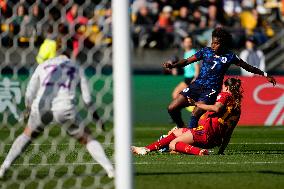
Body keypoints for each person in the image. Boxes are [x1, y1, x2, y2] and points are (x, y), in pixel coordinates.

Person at [0, 52, 114, 178]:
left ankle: (4, 166)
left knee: (27, 135)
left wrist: (28, 107)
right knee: (87, 139)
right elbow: (87, 98)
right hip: (64, 107)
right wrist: (96, 116)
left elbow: (30, 91)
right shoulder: (76, 66)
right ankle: (110, 169)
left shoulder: (43, 65)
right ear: (70, 53)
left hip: (42, 106)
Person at [163, 27, 276, 129]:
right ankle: (181, 127)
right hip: (197, 85)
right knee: (172, 108)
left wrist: (264, 74)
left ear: (222, 44)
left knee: (195, 114)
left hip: (211, 90)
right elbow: (187, 61)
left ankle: (189, 141)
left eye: (216, 43)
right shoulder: (205, 51)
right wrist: (174, 65)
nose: (213, 46)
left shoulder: (230, 56)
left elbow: (247, 66)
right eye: (212, 43)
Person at [132, 77, 243, 156]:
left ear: (227, 88)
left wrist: (197, 104)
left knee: (172, 144)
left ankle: (199, 152)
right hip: (214, 139)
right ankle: (145, 149)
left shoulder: (225, 95)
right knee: (177, 132)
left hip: (206, 133)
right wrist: (221, 150)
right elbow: (228, 133)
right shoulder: (237, 110)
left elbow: (217, 108)